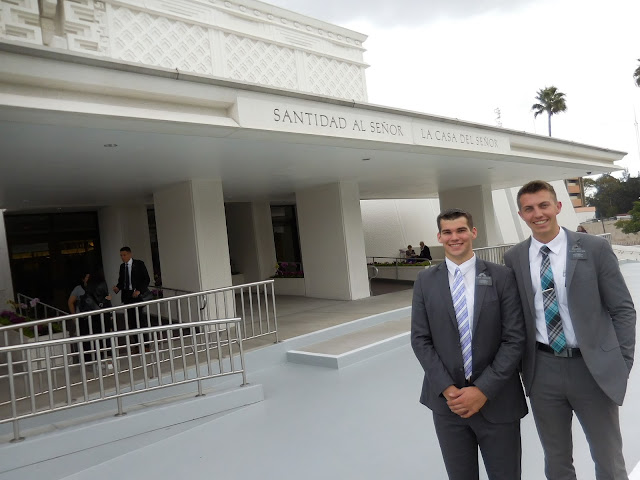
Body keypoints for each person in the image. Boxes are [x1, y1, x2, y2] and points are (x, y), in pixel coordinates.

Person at [503, 180, 636, 480]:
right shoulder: (514, 258)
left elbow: (623, 310)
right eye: (529, 209)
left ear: (558, 206)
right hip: (543, 370)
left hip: (592, 369)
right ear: (521, 215)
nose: (538, 213)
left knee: (608, 458)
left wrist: (621, 362)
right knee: (557, 460)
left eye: (544, 205)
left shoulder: (594, 248)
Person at [411, 208, 527, 479]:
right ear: (439, 237)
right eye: (447, 232)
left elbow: (514, 338)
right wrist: (448, 388)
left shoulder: (502, 277)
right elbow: (420, 338)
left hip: (498, 401)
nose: (455, 237)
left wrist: (483, 389)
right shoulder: (425, 281)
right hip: (448, 405)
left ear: (473, 232)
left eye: (461, 230)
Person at [113, 246, 151, 349]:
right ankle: (137, 344)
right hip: (127, 296)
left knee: (140, 319)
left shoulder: (139, 264)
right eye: (121, 255)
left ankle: (146, 344)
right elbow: (122, 281)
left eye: (124, 255)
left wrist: (139, 290)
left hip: (137, 295)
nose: (123, 257)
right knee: (131, 321)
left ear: (130, 254)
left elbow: (146, 279)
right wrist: (117, 288)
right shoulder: (122, 267)